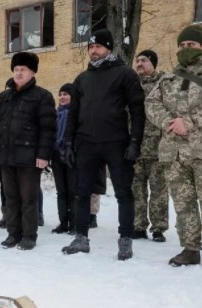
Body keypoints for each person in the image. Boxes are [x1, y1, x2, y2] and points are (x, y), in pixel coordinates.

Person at [146, 25, 202, 274]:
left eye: (192, 45)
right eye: (183, 45)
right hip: (174, 153)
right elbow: (151, 103)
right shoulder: (168, 77)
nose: (186, 49)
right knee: (183, 203)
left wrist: (189, 121)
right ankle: (190, 248)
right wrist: (169, 122)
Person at [61, 29, 145, 261]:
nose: (93, 51)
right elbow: (73, 113)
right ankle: (81, 238)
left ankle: (125, 240)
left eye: (98, 46)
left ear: (108, 48)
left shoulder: (125, 74)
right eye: (90, 47)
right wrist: (68, 142)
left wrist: (135, 141)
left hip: (116, 143)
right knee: (81, 192)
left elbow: (138, 110)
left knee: (123, 192)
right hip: (86, 143)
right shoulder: (82, 79)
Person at [0, 51, 56, 250]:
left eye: (23, 69)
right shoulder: (2, 98)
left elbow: (48, 129)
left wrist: (43, 155)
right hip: (5, 156)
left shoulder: (42, 96)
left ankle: (29, 236)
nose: (19, 73)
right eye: (16, 69)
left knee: (28, 198)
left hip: (30, 158)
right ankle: (13, 233)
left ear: (32, 72)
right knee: (11, 198)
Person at [132, 49, 169, 242]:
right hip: (135, 148)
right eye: (137, 60)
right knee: (136, 190)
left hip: (158, 148)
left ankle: (158, 228)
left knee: (159, 190)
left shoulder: (164, 84)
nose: (139, 63)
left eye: (143, 60)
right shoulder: (132, 85)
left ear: (153, 63)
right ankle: (138, 226)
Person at [51, 83, 76, 234]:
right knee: (61, 191)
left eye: (65, 94)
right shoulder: (56, 114)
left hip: (71, 156)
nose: (62, 97)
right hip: (56, 156)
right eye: (60, 94)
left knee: (73, 191)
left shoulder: (76, 114)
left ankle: (74, 223)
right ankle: (63, 222)